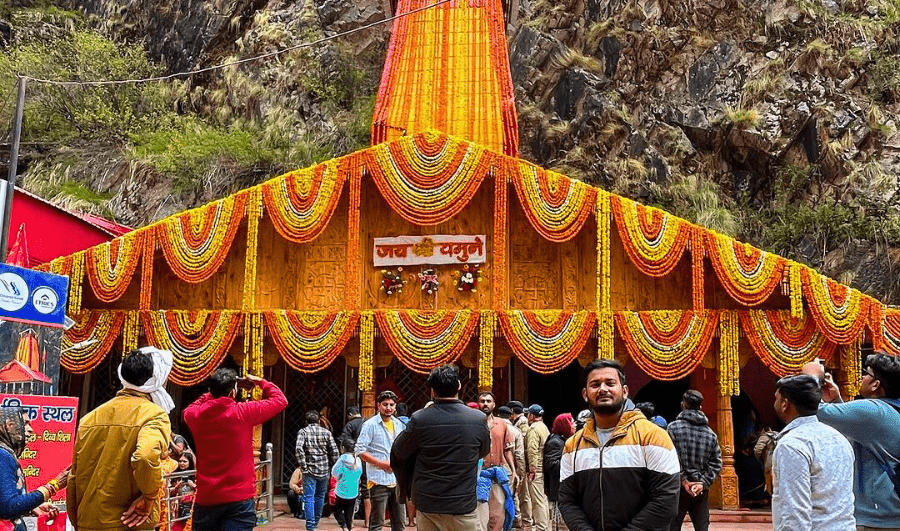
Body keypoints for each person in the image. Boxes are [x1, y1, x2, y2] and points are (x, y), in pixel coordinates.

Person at [558, 359, 680, 531]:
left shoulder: (653, 437)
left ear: (624, 391)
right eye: (595, 384)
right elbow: (567, 501)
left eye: (610, 383)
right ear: (585, 394)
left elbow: (666, 500)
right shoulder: (573, 446)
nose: (602, 389)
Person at [69, 347, 174, 531]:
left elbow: (74, 476)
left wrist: (77, 520)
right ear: (156, 380)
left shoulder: (89, 419)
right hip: (128, 523)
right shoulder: (153, 415)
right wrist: (150, 497)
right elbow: (145, 456)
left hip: (88, 521)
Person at [802, 354, 900, 531]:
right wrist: (836, 401)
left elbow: (810, 408)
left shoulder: (873, 410)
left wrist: (811, 378)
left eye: (866, 373)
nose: (862, 377)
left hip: (879, 518)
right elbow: (854, 432)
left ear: (875, 384)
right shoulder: (890, 410)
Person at [184, 368, 287, 531]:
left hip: (207, 498)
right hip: (239, 498)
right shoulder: (242, 412)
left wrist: (212, 393)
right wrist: (260, 382)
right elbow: (280, 400)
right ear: (233, 392)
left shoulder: (194, 415)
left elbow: (194, 405)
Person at [392, 364, 491, 531]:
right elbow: (484, 451)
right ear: (459, 386)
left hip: (428, 503)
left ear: (433, 391)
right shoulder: (478, 419)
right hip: (463, 504)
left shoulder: (420, 419)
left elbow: (399, 452)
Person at [771, 374, 855, 530]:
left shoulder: (791, 445)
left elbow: (795, 512)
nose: (774, 403)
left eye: (776, 398)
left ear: (785, 404)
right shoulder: (840, 438)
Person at [0, 407, 66, 531]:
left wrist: (32, 508)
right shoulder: (2, 456)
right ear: (9, 426)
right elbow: (8, 507)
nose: (31, 430)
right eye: (25, 423)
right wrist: (53, 487)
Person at [666, 390, 722, 531]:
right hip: (700, 490)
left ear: (683, 405)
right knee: (702, 526)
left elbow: (669, 458)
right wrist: (703, 483)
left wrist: (684, 480)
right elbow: (717, 463)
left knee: (672, 525)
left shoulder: (673, 428)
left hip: (678, 488)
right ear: (700, 408)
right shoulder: (710, 434)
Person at [356, 390, 406, 531]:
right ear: (378, 405)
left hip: (396, 480)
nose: (388, 408)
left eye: (391, 405)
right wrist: (381, 464)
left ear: (395, 406)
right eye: (385, 404)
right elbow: (360, 450)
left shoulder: (400, 425)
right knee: (377, 523)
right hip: (378, 480)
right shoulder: (370, 425)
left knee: (400, 523)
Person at [478, 392, 518, 531]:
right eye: (482, 401)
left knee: (498, 514)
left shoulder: (501, 424)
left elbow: (507, 450)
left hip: (497, 474)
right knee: (481, 515)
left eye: (488, 401)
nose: (485, 404)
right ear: (478, 403)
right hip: (478, 475)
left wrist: (513, 471)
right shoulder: (474, 423)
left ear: (494, 404)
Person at [296, 410, 340, 531]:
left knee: (308, 497)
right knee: (320, 497)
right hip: (324, 469)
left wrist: (303, 466)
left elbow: (299, 449)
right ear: (319, 421)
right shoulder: (326, 432)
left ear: (306, 421)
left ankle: (310, 525)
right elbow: (334, 451)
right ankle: (316, 522)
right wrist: (333, 467)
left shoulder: (303, 432)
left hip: (309, 470)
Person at [495, 406, 526, 531]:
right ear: (510, 416)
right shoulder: (516, 431)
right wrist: (520, 472)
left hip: (495, 469)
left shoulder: (492, 428)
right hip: (509, 470)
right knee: (512, 496)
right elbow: (519, 455)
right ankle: (514, 521)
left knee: (497, 498)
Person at [542, 413, 574, 527]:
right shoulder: (555, 442)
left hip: (562, 490)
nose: (574, 425)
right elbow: (551, 465)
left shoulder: (562, 440)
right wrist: (572, 462)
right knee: (560, 525)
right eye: (571, 422)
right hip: (558, 491)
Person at [524, 405, 550, 531]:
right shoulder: (544, 427)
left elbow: (532, 450)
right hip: (543, 468)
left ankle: (541, 527)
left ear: (532, 416)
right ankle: (543, 525)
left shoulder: (533, 429)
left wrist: (532, 469)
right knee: (543, 499)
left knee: (537, 501)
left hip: (537, 469)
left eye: (528, 414)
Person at [332, 439, 363, 531]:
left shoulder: (341, 460)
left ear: (343, 448)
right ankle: (348, 527)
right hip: (353, 491)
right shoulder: (357, 460)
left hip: (341, 491)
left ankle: (343, 524)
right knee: (349, 513)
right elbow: (360, 473)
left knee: (336, 509)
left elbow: (335, 473)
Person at [170, 451, 197, 531]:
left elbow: (202, 492)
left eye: (184, 461)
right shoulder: (174, 475)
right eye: (180, 461)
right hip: (178, 511)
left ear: (190, 462)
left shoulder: (195, 475)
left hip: (192, 510)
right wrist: (177, 488)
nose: (181, 463)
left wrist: (193, 486)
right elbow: (168, 493)